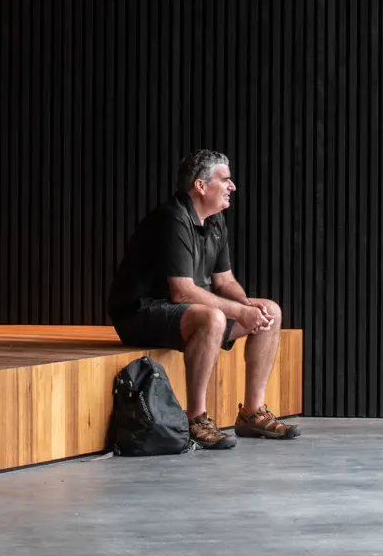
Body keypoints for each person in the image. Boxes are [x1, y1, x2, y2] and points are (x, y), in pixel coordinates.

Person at [109, 149, 299, 449]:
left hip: (181, 310)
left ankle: (252, 413)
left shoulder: (215, 220)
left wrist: (249, 306)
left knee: (269, 310)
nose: (232, 186)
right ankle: (195, 418)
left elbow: (225, 281)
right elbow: (182, 291)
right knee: (212, 317)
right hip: (140, 312)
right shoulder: (173, 218)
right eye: (225, 180)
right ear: (200, 186)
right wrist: (238, 310)